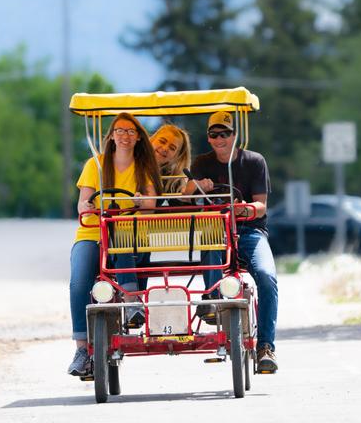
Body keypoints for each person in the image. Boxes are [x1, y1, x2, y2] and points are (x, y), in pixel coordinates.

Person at [67, 112, 162, 377]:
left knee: (121, 240)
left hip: (130, 233)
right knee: (79, 281)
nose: (125, 136)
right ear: (111, 136)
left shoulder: (143, 167)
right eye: (119, 131)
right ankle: (82, 348)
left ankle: (132, 302)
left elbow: (151, 207)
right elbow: (83, 205)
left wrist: (138, 203)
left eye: (131, 131)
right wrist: (87, 206)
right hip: (93, 233)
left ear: (138, 138)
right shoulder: (95, 165)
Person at [185, 111, 279, 374]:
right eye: (214, 134)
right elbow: (184, 198)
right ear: (208, 137)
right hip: (215, 230)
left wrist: (244, 209)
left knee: (267, 276)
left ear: (235, 135)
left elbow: (261, 206)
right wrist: (195, 186)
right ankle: (213, 300)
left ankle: (265, 347)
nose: (219, 139)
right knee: (211, 240)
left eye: (224, 134)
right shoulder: (201, 163)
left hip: (249, 231)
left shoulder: (254, 161)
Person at [151, 123, 192, 195]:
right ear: (152, 140)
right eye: (162, 141)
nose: (165, 149)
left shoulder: (173, 182)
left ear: (176, 156)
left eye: (172, 148)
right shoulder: (131, 163)